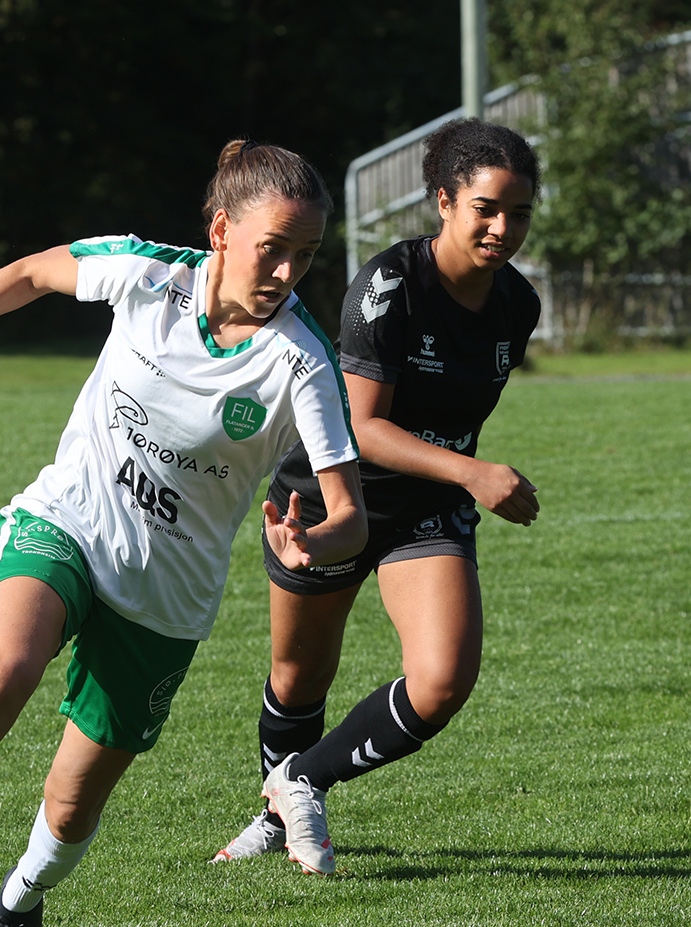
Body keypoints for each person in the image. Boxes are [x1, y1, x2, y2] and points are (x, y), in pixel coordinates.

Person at [0, 140, 367, 927]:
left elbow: (349, 516)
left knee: (73, 805)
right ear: (222, 230)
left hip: (166, 600)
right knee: (4, 669)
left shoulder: (300, 362)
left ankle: (19, 897)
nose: (288, 270)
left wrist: (310, 543)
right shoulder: (144, 274)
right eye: (274, 247)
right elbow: (31, 274)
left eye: (305, 255)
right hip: (67, 524)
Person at [210, 118, 543, 875]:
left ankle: (299, 782)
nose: (502, 227)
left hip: (425, 508)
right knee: (299, 678)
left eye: (518, 212)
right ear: (445, 203)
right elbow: (359, 428)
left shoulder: (517, 305)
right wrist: (473, 471)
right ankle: (273, 816)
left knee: (443, 680)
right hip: (334, 497)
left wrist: (457, 476)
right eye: (486, 208)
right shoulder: (390, 285)